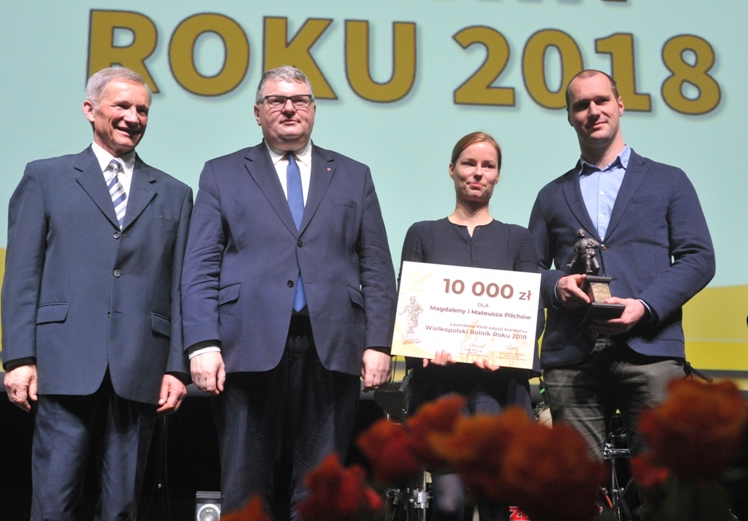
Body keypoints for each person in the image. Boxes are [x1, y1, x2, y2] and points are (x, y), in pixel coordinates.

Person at [181, 65, 397, 520]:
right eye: (276, 100)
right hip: (244, 347)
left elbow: (376, 265)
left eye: (299, 100)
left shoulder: (354, 175)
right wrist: (202, 343)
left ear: (313, 110)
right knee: (245, 490)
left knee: (321, 493)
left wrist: (379, 343)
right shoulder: (221, 173)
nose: (289, 108)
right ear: (257, 112)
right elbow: (200, 266)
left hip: (332, 347)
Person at [1, 66, 192, 520]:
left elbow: (180, 287)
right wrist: (19, 358)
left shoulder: (175, 193)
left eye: (142, 110)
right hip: (62, 361)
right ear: (90, 110)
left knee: (122, 506)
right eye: (122, 106)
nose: (133, 117)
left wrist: (176, 367)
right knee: (53, 502)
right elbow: (23, 273)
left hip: (141, 365)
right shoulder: (45, 177)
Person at [527, 69, 716, 459]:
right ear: (570, 117)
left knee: (663, 482)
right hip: (572, 359)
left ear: (620, 105)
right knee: (573, 486)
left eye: (601, 100)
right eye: (581, 105)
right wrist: (557, 287)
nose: (593, 111)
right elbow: (529, 269)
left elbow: (699, 258)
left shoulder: (669, 181)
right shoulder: (551, 195)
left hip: (651, 351)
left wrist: (644, 307)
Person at [400, 131, 541, 521]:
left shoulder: (518, 239)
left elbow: (533, 312)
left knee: (497, 502)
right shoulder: (422, 234)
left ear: (498, 176)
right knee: (448, 505)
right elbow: (408, 307)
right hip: (440, 391)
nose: (478, 173)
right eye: (469, 163)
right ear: (452, 169)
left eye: (488, 166)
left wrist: (507, 350)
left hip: (498, 389)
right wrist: (423, 346)